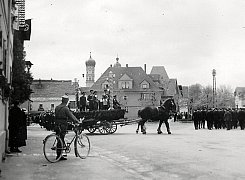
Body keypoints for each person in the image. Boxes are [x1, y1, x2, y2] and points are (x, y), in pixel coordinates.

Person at [55, 95, 80, 160]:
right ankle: (59, 155)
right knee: (61, 138)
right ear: (66, 101)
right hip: (63, 125)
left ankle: (59, 154)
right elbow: (71, 116)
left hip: (57, 124)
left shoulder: (57, 107)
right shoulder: (65, 108)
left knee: (59, 138)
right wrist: (77, 121)